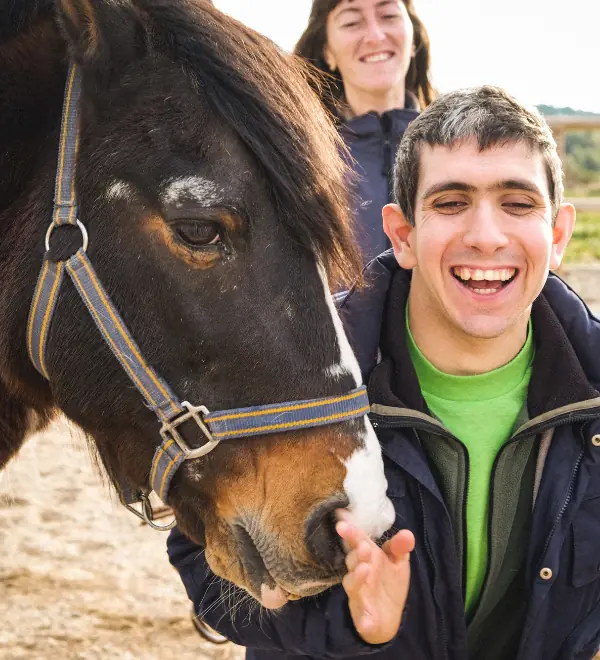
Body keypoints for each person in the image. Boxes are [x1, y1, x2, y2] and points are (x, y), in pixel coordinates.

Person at [168, 86, 600, 660]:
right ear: (402, 235)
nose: (486, 235)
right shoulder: (286, 370)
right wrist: (351, 627)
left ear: (558, 234)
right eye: (450, 202)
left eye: (518, 203)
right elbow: (206, 563)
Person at [295, 0, 434, 264]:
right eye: (351, 22)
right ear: (327, 51)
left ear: (412, 36)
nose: (375, 36)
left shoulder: (456, 149)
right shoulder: (301, 161)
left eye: (388, 16)